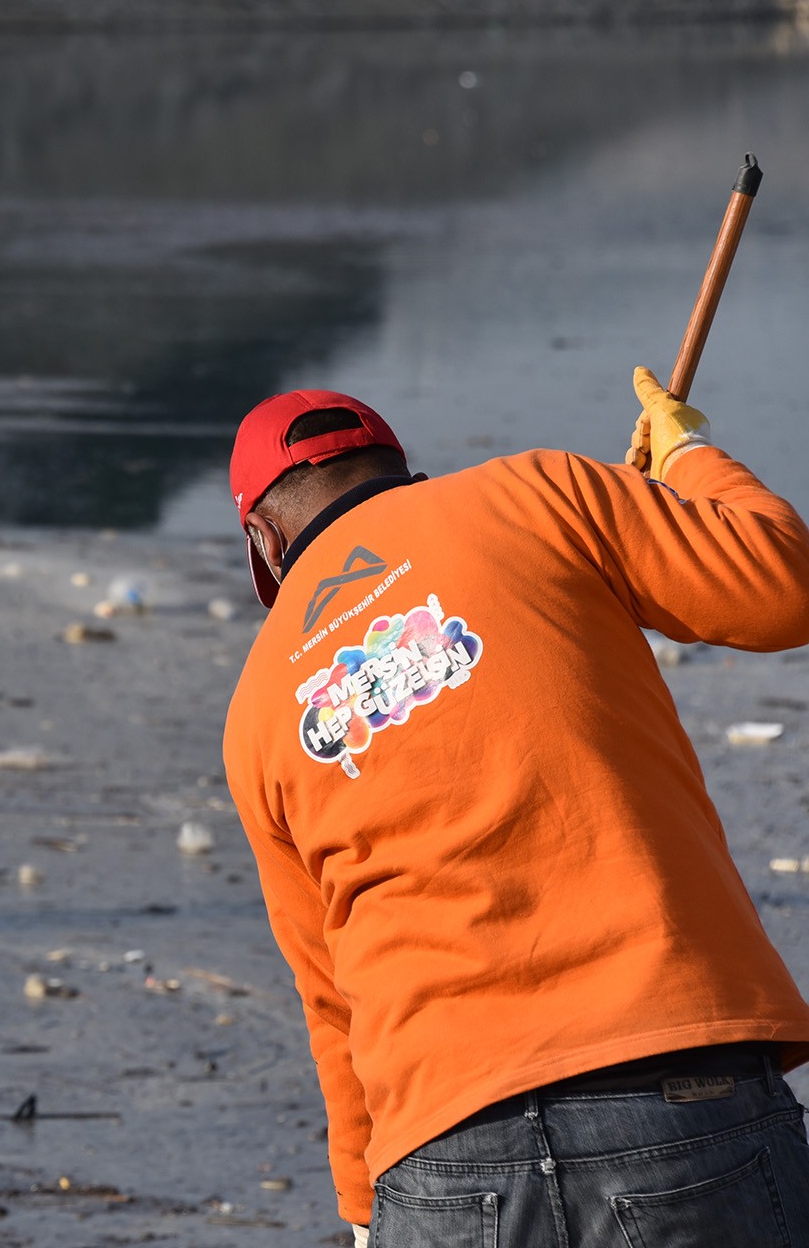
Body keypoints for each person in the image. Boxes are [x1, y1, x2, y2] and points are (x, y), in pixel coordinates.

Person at [221, 372, 809, 1246]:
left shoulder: (258, 710)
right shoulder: (540, 493)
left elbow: (329, 993)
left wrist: (361, 1209)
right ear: (403, 472)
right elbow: (783, 583)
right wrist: (684, 455)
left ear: (265, 541)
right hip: (676, 1093)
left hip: (440, 1151)